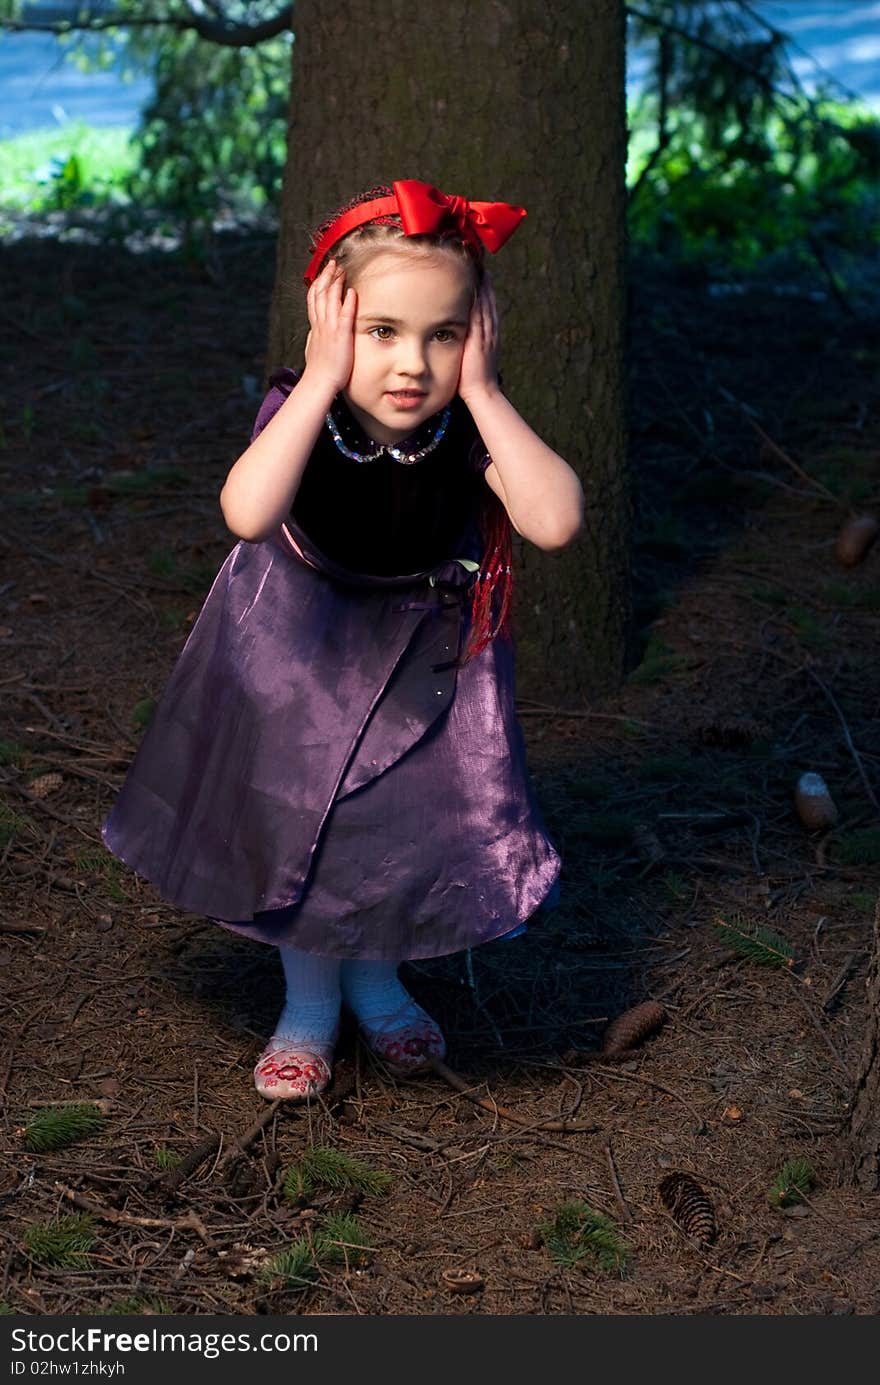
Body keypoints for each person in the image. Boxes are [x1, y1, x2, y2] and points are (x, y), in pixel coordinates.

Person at [102, 179, 584, 1102]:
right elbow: (246, 511)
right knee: (301, 827)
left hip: (420, 658)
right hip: (299, 652)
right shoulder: (303, 405)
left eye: (442, 334)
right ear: (333, 328)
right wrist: (321, 376)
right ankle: (309, 1002)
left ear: (475, 332)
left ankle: (376, 974)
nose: (412, 363)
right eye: (382, 332)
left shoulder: (466, 420)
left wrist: (480, 388)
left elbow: (554, 520)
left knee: (395, 825)